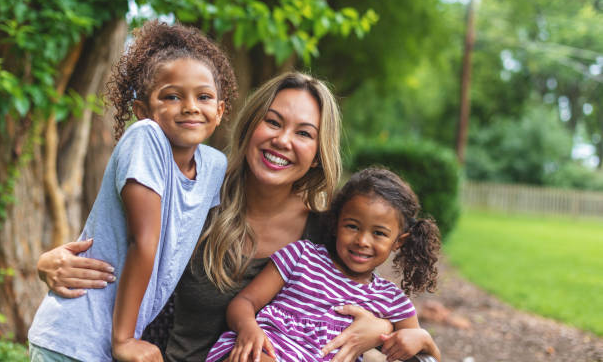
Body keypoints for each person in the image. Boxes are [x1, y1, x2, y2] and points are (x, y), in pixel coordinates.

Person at [36, 72, 438, 362]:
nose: (282, 141)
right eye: (274, 121)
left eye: (304, 133)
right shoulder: (200, 194)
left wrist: (383, 330)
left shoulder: (327, 230)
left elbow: (363, 297)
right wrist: (48, 263)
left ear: (318, 152)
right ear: (251, 123)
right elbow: (127, 242)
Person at [28, 20, 236, 362]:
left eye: (204, 97)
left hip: (112, 343)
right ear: (142, 110)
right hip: (75, 335)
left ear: (220, 111)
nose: (190, 106)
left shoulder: (214, 166)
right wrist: (124, 340)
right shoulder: (146, 138)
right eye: (171, 96)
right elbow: (146, 240)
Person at [205, 167, 441, 362]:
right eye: (352, 226)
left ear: (398, 242)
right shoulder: (302, 256)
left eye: (379, 233)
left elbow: (427, 357)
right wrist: (248, 328)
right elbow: (244, 301)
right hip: (265, 350)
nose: (362, 241)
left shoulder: (389, 299)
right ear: (335, 222)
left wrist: (424, 339)